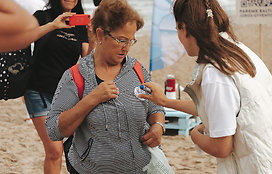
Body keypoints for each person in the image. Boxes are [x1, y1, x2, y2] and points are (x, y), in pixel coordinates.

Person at [138, 0, 272, 173]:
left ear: (184, 28)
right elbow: (214, 105)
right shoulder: (237, 50)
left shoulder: (215, 72)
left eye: (177, 29)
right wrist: (165, 101)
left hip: (258, 167)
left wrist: (194, 134)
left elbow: (221, 147)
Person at [46, 0, 166, 173]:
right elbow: (53, 130)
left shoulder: (137, 70)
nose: (126, 48)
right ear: (100, 35)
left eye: (131, 41)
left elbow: (156, 107)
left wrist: (158, 126)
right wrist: (91, 99)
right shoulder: (75, 76)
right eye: (121, 40)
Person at [23, 0, 90, 173]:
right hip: (39, 91)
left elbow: (87, 58)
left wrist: (94, 39)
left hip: (67, 96)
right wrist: (53, 25)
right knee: (54, 151)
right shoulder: (41, 16)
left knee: (70, 149)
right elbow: (24, 37)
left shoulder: (80, 24)